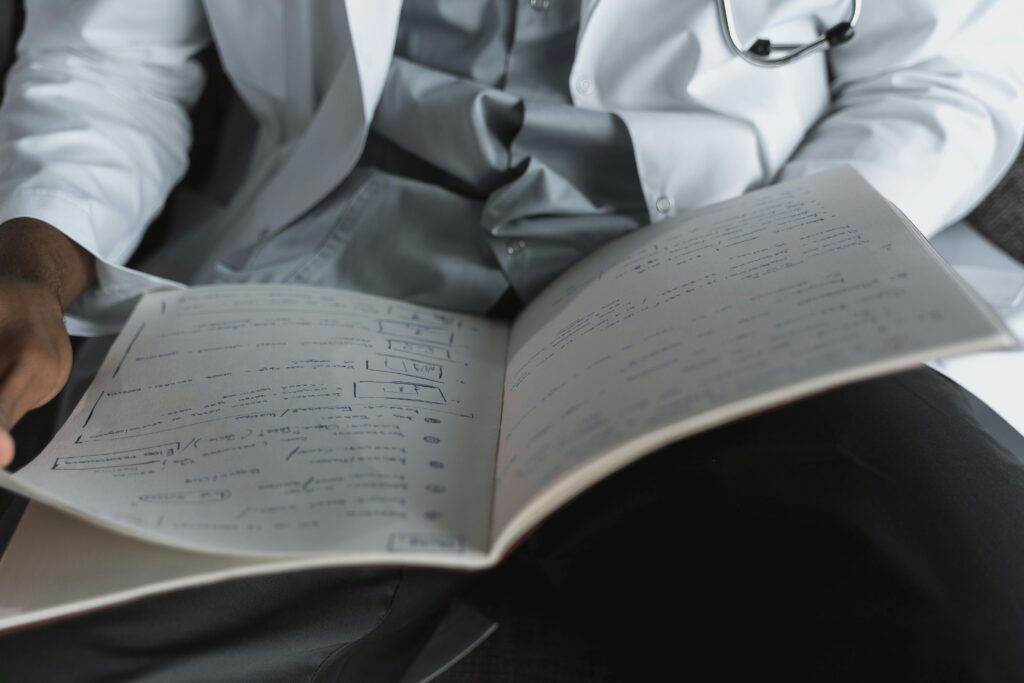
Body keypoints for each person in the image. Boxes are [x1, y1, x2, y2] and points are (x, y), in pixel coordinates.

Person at [0, 1, 1021, 680]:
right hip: (325, 271)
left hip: (705, 263)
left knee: (974, 601)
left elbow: (946, 82)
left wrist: (770, 257)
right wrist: (34, 262)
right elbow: (109, 58)